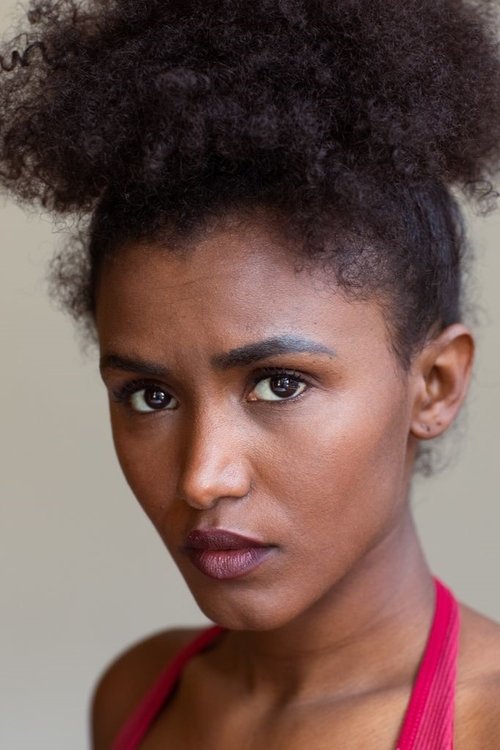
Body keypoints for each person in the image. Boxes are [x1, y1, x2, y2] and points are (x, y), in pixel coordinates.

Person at [1, 0, 500, 747]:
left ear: (435, 384)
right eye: (150, 395)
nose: (202, 479)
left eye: (279, 383)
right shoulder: (138, 695)